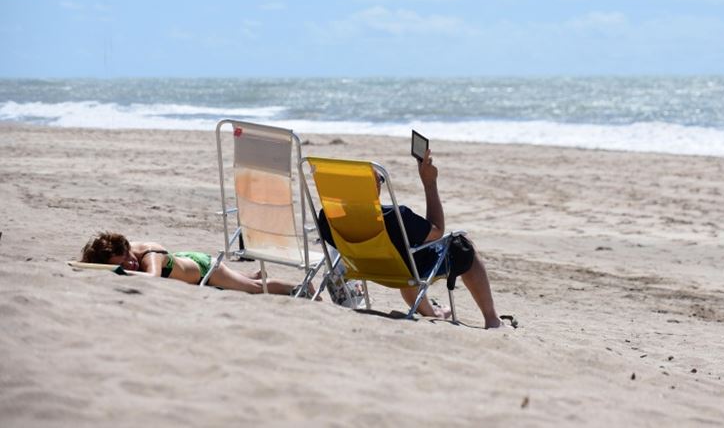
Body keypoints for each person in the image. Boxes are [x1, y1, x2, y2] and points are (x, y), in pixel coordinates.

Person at [317, 149, 505, 329]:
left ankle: (432, 312)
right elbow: (437, 231)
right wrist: (429, 183)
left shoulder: (327, 218)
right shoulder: (397, 217)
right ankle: (492, 319)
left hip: (366, 268)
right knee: (463, 246)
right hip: (402, 272)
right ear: (373, 187)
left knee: (406, 253)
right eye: (380, 180)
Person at [79, 232, 301, 295]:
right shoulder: (120, 250)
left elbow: (153, 278)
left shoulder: (149, 256)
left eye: (128, 259)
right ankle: (254, 274)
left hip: (205, 270)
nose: (130, 265)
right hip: (183, 261)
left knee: (253, 290)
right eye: (123, 264)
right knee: (245, 281)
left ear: (128, 249)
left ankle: (299, 288)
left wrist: (119, 271)